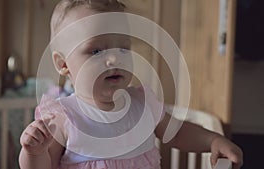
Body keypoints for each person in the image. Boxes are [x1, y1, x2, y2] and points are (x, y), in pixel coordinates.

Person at [19, 0, 243, 169]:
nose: (115, 58)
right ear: (63, 64)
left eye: (124, 48)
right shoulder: (63, 117)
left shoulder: (142, 104)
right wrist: (34, 153)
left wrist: (213, 140)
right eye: (96, 50)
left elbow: (177, 133)